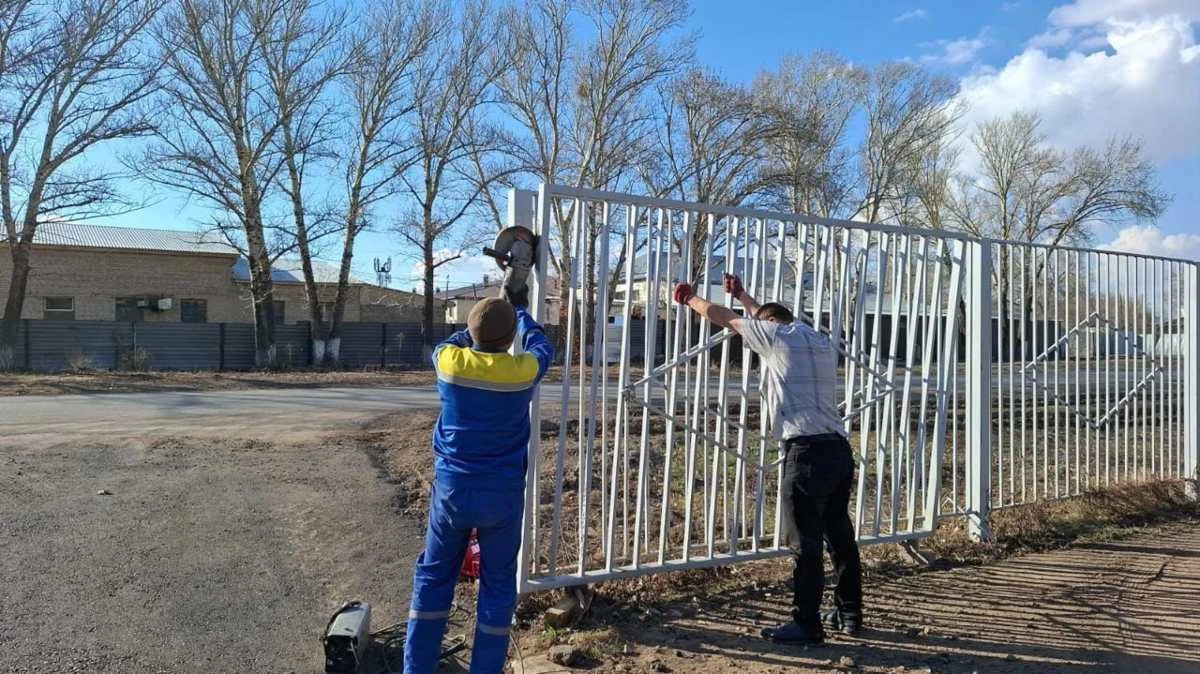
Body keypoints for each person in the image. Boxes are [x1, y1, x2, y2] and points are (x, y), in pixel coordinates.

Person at [673, 273, 862, 646]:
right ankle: (849, 613)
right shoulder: (817, 341)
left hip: (806, 453)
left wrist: (690, 298)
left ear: (769, 325)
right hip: (838, 450)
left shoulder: (773, 336)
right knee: (840, 536)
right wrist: (744, 294)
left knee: (804, 543)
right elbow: (762, 315)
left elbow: (723, 316)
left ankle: (806, 624)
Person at [404, 293, 554, 673]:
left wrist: (470, 332)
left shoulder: (450, 363)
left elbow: (447, 345)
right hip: (502, 496)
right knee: (498, 588)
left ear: (471, 334)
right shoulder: (521, 371)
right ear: (508, 340)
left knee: (434, 577)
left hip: (453, 491)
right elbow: (543, 347)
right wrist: (521, 314)